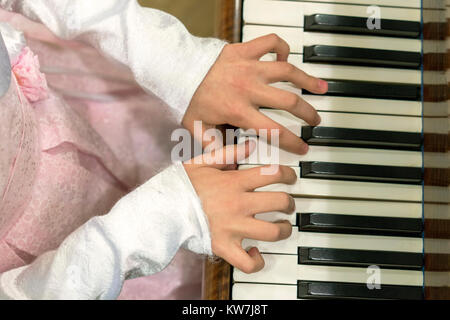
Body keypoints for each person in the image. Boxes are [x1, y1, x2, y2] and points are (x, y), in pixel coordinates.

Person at [0, 0, 327, 299]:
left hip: (85, 103)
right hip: (77, 259)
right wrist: (166, 217)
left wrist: (177, 64)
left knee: (184, 137)